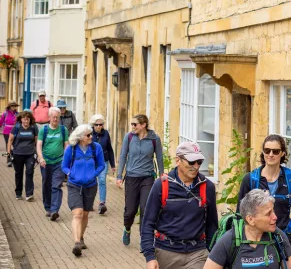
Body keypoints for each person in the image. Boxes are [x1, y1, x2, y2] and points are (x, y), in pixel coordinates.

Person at [141, 142, 218, 269]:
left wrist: (214, 255)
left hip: (197, 253)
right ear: (178, 161)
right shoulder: (161, 185)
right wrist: (150, 257)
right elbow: (148, 223)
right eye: (191, 162)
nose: (196, 166)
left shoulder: (207, 187)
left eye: (199, 162)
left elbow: (212, 225)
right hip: (166, 252)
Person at [205, 189, 291, 269]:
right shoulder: (230, 240)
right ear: (250, 219)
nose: (275, 217)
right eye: (268, 214)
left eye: (273, 211)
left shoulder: (278, 237)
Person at [237, 134, 291, 257]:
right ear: (263, 152)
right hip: (256, 241)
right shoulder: (250, 179)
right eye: (267, 150)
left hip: (282, 240)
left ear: (283, 153)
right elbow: (240, 214)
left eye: (276, 151)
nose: (271, 154)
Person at [116, 114, 164, 246]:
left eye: (135, 124)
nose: (132, 127)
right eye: (132, 124)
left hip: (147, 177)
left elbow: (159, 158)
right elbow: (123, 156)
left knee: (145, 208)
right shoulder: (129, 137)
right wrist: (119, 176)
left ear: (143, 125)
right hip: (131, 177)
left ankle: (145, 238)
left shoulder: (154, 139)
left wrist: (162, 175)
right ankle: (127, 228)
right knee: (130, 210)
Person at [61, 124, 105, 257]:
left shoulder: (96, 148)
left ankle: (81, 237)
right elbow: (64, 166)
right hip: (74, 185)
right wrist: (71, 174)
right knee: (78, 214)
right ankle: (76, 243)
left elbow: (101, 165)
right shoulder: (71, 149)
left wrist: (94, 174)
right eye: (88, 135)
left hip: (90, 185)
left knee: (85, 214)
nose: (91, 137)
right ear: (81, 137)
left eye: (91, 134)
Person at [37, 107, 69, 221]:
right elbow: (39, 145)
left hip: (59, 162)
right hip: (46, 162)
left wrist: (67, 160)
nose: (55, 119)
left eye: (57, 117)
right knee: (46, 184)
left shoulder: (63, 130)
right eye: (53, 117)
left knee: (56, 185)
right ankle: (48, 207)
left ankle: (55, 210)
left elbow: (66, 146)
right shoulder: (44, 130)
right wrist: (40, 158)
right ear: (49, 117)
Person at [7, 110, 38, 200]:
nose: (26, 121)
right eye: (24, 119)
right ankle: (18, 193)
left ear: (30, 119)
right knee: (18, 173)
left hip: (30, 154)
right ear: (21, 120)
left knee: (29, 173)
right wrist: (9, 153)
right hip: (18, 154)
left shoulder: (33, 127)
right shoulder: (16, 127)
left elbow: (36, 141)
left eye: (28, 119)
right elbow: (10, 140)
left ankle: (29, 194)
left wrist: (37, 153)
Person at [90, 114, 115, 214]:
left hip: (103, 161)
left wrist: (113, 165)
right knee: (91, 182)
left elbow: (110, 149)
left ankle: (102, 203)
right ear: (93, 125)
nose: (99, 126)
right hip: (91, 162)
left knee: (102, 181)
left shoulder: (106, 134)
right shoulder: (89, 134)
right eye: (97, 125)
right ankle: (89, 202)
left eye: (101, 124)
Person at [0, 101, 19, 167]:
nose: (13, 107)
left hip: (15, 131)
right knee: (8, 146)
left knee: (15, 145)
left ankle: (14, 158)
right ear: (9, 106)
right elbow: (0, 122)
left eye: (14, 106)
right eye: (12, 106)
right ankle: (9, 160)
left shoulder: (17, 114)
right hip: (6, 132)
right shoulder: (5, 113)